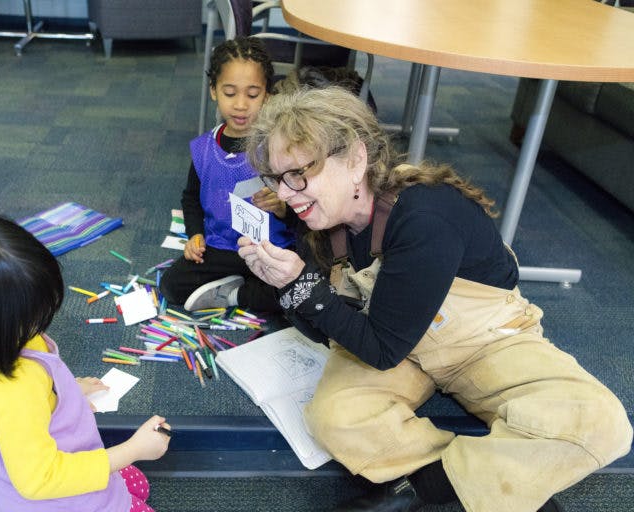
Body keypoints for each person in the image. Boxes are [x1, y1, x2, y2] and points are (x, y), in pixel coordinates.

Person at [237, 87, 632, 512]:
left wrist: (304, 288)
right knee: (333, 418)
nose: (287, 193)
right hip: (397, 343)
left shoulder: (423, 217)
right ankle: (495, 482)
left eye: (299, 173)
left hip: (486, 341)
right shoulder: (325, 221)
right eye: (276, 178)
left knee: (600, 422)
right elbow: (339, 332)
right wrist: (292, 288)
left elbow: (380, 347)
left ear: (355, 160)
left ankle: (420, 491)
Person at [0, 215, 170, 512]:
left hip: (24, 468)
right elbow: (42, 478)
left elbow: (12, 412)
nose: (40, 322)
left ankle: (3, 500)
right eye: (31, 316)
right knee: (131, 490)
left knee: (135, 482)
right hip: (52, 497)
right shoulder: (11, 392)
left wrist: (66, 392)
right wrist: (133, 450)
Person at [159, 36, 294, 313]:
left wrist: (283, 207)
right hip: (221, 248)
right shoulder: (204, 148)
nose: (241, 105)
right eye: (230, 93)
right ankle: (240, 284)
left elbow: (303, 204)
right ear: (213, 91)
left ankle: (236, 294)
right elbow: (191, 199)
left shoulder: (278, 146)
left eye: (252, 94)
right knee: (171, 286)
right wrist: (195, 235)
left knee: (296, 293)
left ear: (267, 94)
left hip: (267, 249)